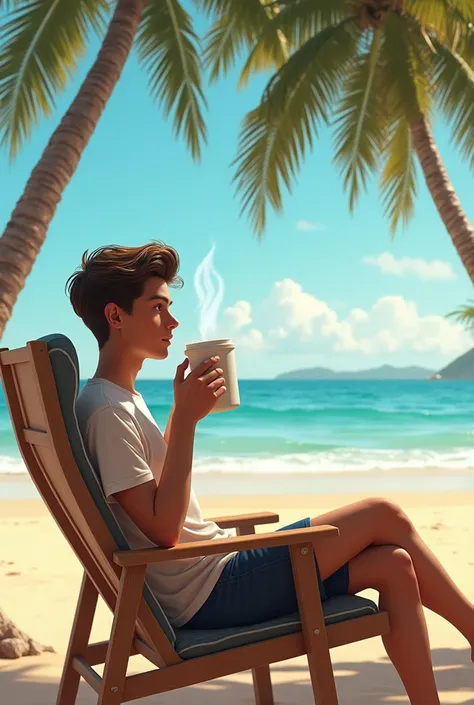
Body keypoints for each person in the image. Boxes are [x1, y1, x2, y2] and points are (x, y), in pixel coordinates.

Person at [68, 241, 473, 705]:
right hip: (209, 593)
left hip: (216, 574)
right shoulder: (106, 411)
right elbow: (163, 531)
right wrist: (186, 424)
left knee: (395, 566)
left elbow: (157, 506)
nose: (173, 322)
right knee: (384, 513)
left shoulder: (120, 400)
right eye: (158, 308)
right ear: (116, 316)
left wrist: (183, 417)